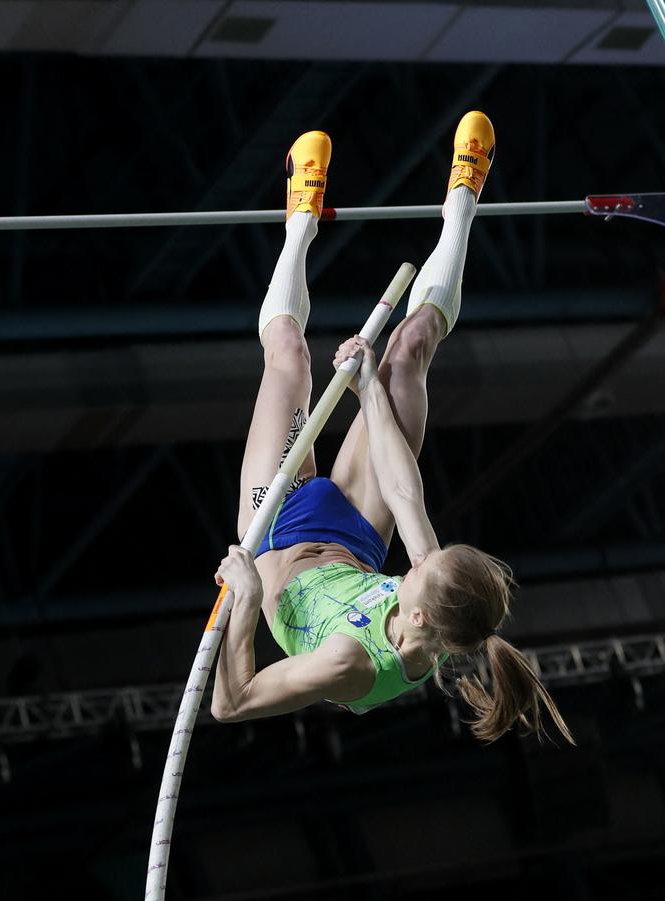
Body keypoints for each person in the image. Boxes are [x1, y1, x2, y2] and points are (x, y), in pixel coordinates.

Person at [211, 112, 574, 746]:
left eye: (413, 572)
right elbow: (405, 495)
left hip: (277, 535)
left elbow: (231, 704)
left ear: (418, 614)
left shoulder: (350, 664)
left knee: (290, 358)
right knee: (406, 352)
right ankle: (464, 198)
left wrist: (243, 599)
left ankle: (297, 221)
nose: (414, 563)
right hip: (352, 535)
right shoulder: (432, 592)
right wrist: (368, 385)